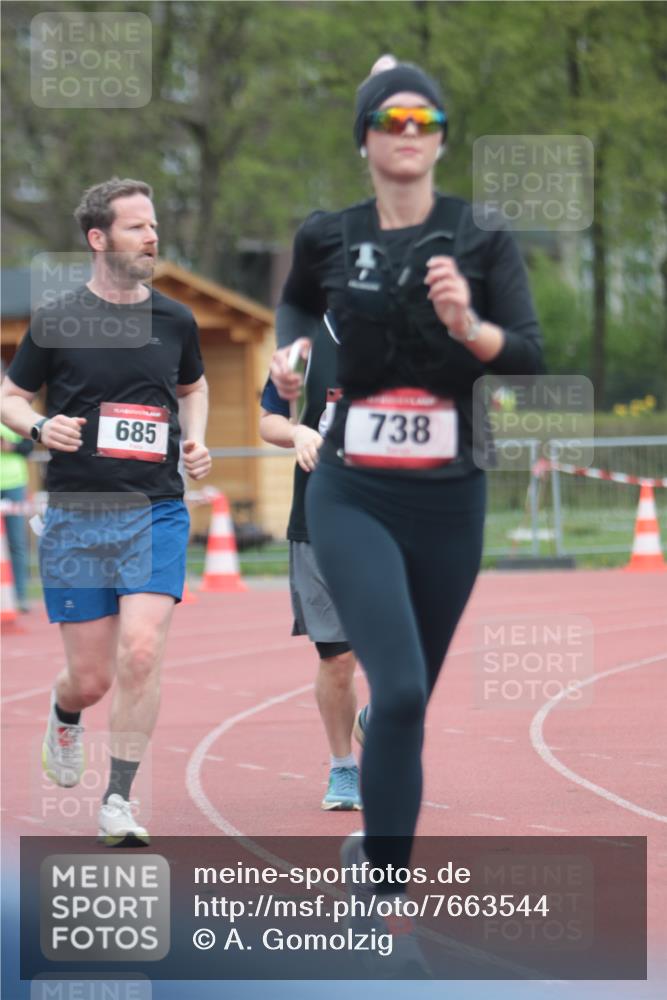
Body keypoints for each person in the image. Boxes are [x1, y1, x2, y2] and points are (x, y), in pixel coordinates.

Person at [271, 56, 543, 973]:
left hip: (451, 494)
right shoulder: (327, 236)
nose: (406, 132)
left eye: (422, 119)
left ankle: (370, 864)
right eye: (389, 118)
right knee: (405, 687)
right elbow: (295, 305)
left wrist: (471, 327)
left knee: (405, 704)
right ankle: (385, 906)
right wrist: (289, 361)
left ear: (439, 138)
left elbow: (528, 358)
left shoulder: (481, 236)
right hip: (353, 490)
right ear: (364, 139)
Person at [0, 178, 211, 844]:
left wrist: (197, 435)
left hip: (155, 509)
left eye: (153, 226)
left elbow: (194, 385)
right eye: (136, 227)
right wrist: (37, 428)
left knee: (141, 652)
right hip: (78, 512)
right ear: (98, 238)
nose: (152, 237)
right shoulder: (58, 319)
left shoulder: (175, 319)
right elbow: (9, 396)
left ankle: (118, 800)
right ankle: (65, 716)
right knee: (90, 679)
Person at [259, 316, 369, 811]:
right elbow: (268, 420)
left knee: (410, 649)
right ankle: (343, 767)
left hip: (395, 519)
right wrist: (298, 433)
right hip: (319, 520)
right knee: (338, 659)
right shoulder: (304, 347)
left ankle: (378, 718)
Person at [0, 407, 34, 613]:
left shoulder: (13, 409)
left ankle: (20, 596)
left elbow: (29, 445)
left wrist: (11, 446)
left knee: (17, 542)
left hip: (14, 484)